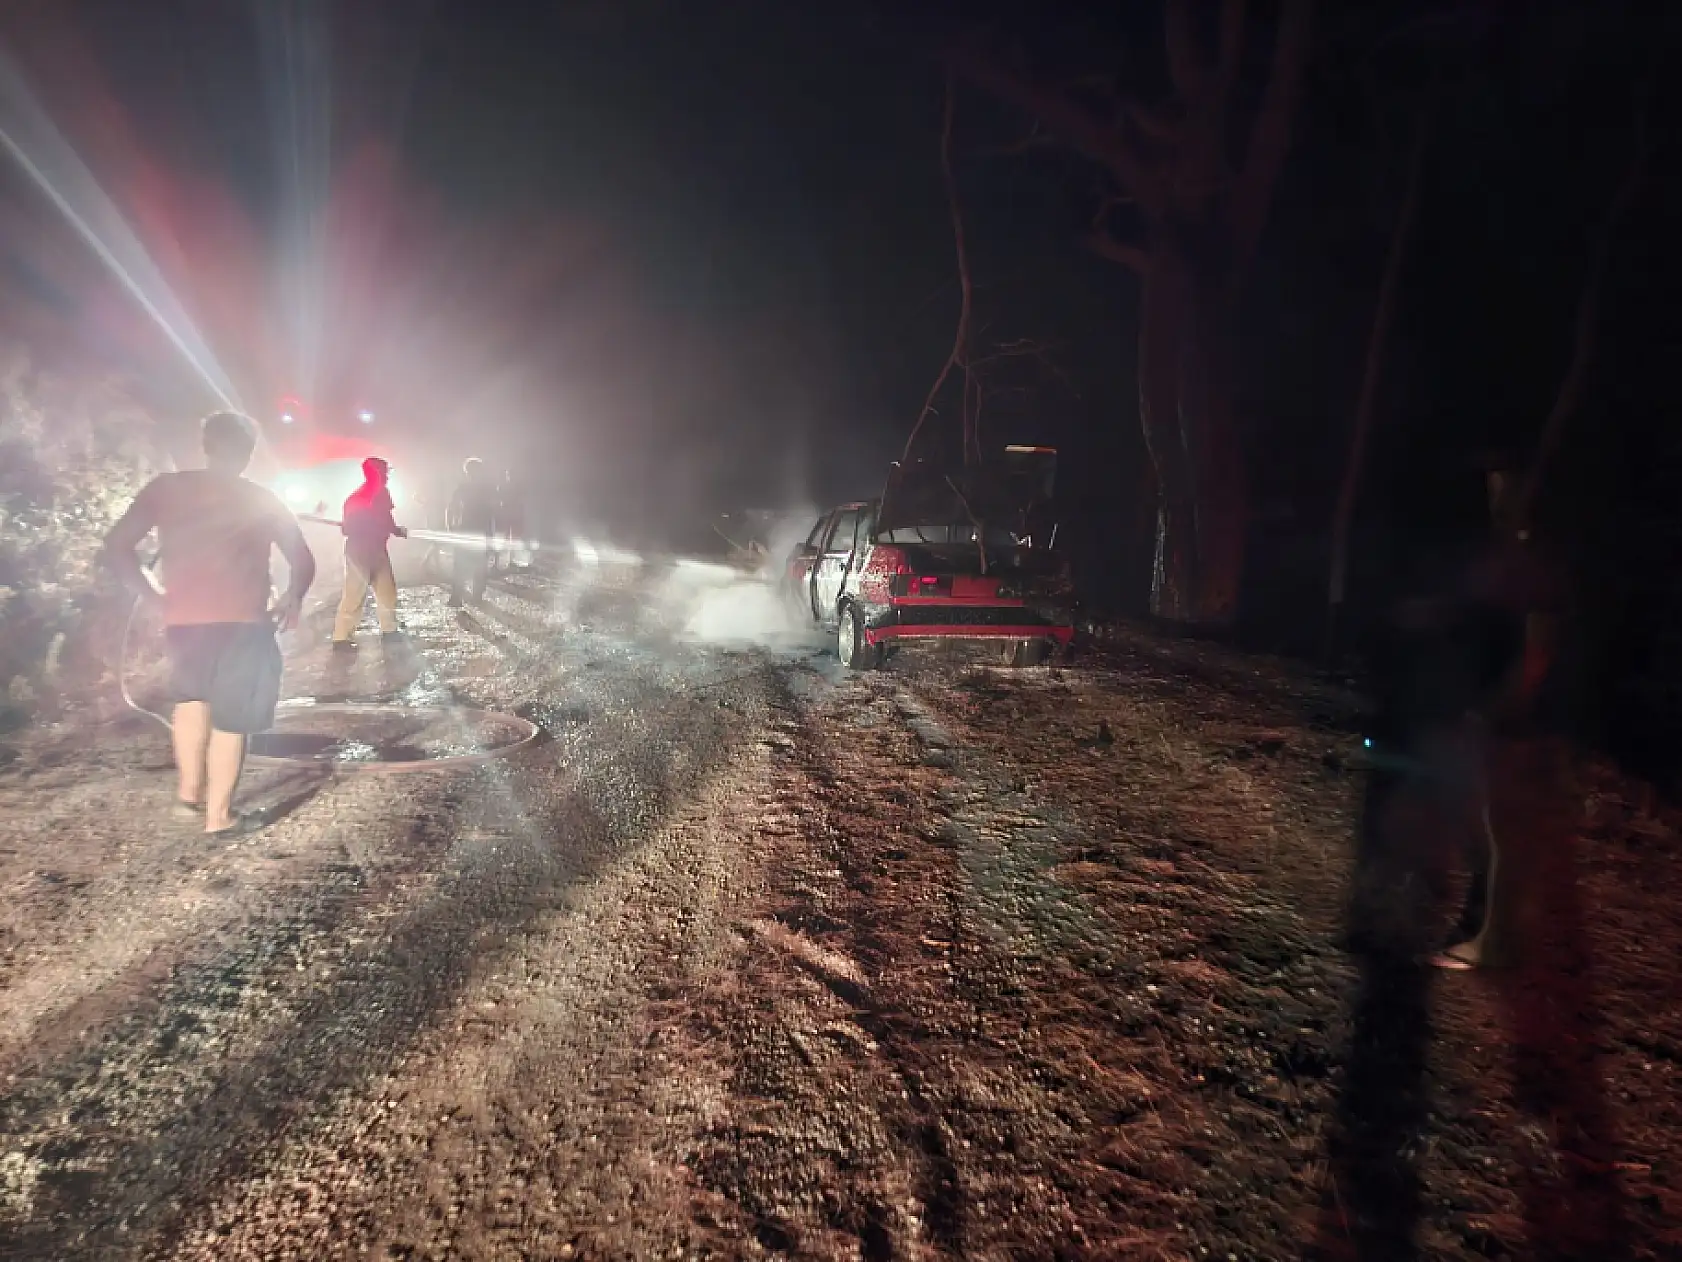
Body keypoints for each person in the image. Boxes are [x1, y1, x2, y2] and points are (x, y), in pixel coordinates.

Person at [104, 410, 316, 835]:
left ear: (207, 444)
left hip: (183, 620)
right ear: (248, 453)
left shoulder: (166, 489)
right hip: (245, 623)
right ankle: (219, 817)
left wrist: (151, 596)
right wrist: (293, 596)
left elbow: (117, 544)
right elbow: (302, 560)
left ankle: (188, 796)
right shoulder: (261, 498)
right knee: (233, 720)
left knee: (192, 701)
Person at [332, 456, 408, 648]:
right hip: (360, 549)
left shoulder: (380, 493)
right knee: (355, 593)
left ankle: (389, 630)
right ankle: (341, 638)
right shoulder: (358, 497)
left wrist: (395, 529)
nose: (386, 476)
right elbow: (348, 529)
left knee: (386, 591)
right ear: (374, 473)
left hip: (377, 548)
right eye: (383, 472)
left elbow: (386, 518)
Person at [447, 456, 497, 606]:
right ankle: (475, 596)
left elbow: (451, 508)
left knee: (462, 565)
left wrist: (450, 526)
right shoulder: (485, 490)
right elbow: (491, 513)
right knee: (478, 564)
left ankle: (458, 596)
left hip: (467, 529)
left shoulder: (463, 489)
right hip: (477, 530)